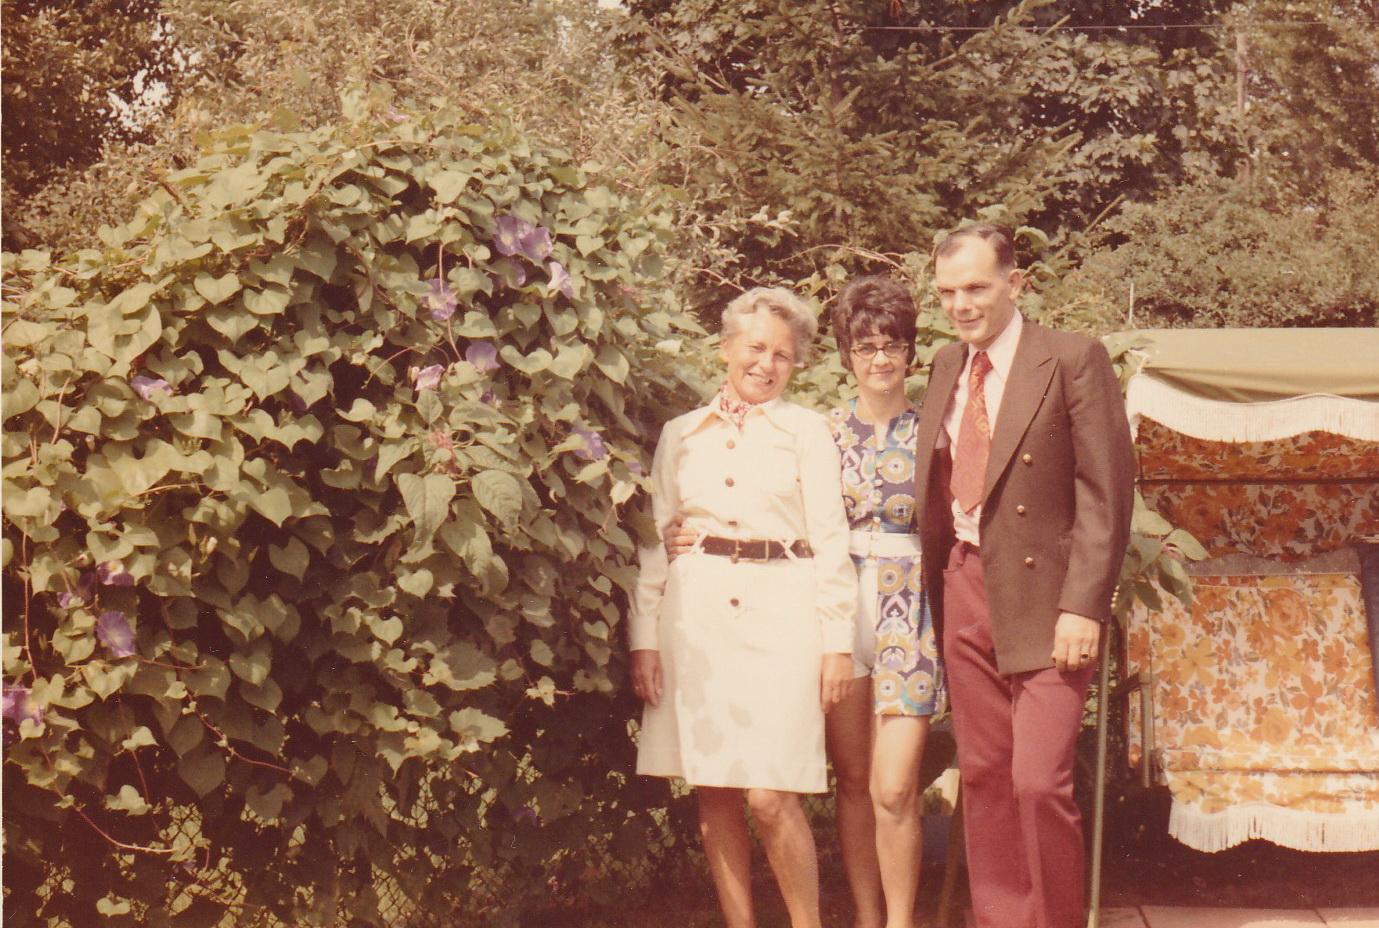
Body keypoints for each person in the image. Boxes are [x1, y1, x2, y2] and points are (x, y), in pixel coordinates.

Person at [664, 277, 944, 928]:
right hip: (833, 608)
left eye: (893, 345)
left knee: (893, 786)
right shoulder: (825, 431)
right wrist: (682, 531)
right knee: (852, 779)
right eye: (865, 346)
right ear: (846, 354)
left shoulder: (936, 432)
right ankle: (865, 917)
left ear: (910, 351)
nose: (880, 358)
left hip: (908, 610)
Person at [913, 224, 1136, 928]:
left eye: (976, 287)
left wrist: (1084, 606)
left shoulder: (1070, 358)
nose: (961, 305)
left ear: (1015, 283)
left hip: (1048, 599)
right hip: (964, 583)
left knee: (1038, 782)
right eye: (947, 292)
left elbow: (1106, 492)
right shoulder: (946, 364)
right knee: (983, 777)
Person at [628, 287, 857, 928]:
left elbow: (831, 541)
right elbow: (654, 540)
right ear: (726, 347)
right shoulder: (681, 434)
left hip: (784, 621)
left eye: (782, 355)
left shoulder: (807, 432)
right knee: (716, 788)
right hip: (698, 624)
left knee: (769, 794)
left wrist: (837, 644)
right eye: (755, 348)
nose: (766, 364)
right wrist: (644, 639)